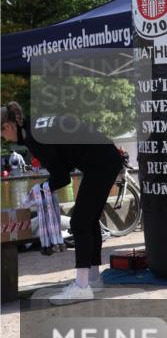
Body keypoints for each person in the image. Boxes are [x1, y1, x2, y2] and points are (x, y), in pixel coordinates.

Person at [1, 102, 120, 304]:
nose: (3, 138)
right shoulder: (35, 125)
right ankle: (92, 280)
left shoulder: (33, 137)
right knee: (88, 222)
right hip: (105, 156)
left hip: (101, 162)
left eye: (1, 133)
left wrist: (36, 191)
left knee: (79, 223)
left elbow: (61, 178)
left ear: (9, 126)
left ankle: (82, 287)